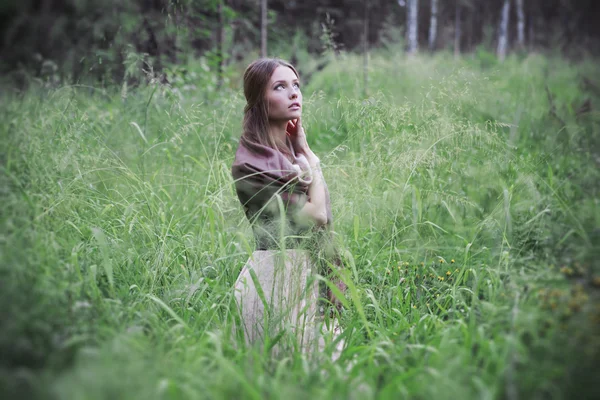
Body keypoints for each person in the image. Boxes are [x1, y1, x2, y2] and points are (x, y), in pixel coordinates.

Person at [230, 58, 346, 356]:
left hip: (310, 277)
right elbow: (317, 216)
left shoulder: (290, 153)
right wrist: (312, 157)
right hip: (277, 280)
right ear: (259, 99)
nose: (294, 93)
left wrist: (302, 151)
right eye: (280, 86)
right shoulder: (251, 164)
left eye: (296, 85)